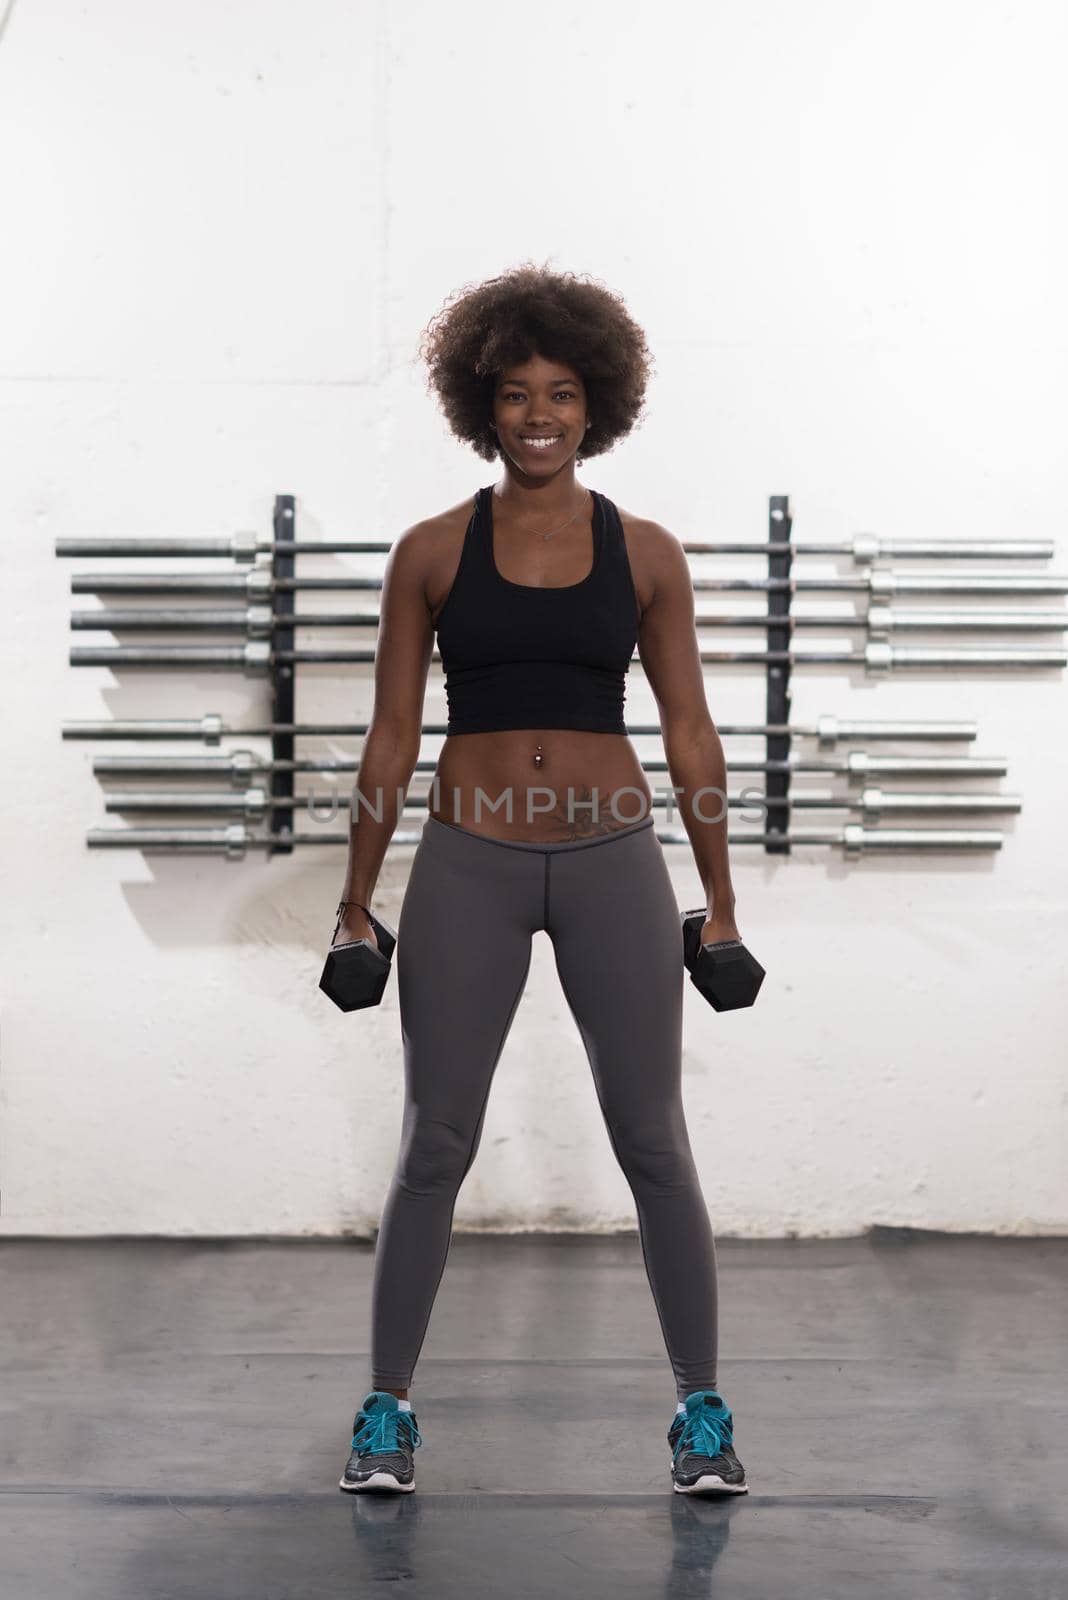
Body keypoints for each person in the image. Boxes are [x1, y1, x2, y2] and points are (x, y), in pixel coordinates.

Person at [334, 262, 748, 1497]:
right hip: (471, 859)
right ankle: (386, 1413)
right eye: (515, 393)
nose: (538, 415)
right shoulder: (428, 552)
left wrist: (719, 898)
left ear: (596, 404)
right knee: (436, 1141)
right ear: (484, 404)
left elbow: (691, 733)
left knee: (653, 1141)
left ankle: (704, 1417)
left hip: (615, 856)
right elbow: (392, 738)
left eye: (562, 393)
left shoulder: (650, 552)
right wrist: (359, 900)